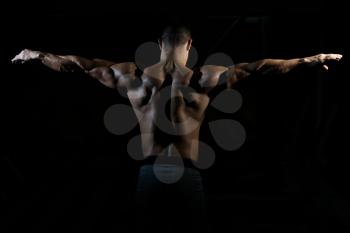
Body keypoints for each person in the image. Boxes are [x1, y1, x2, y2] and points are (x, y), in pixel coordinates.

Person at [11, 25, 342, 232]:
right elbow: (260, 69)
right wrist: (309, 60)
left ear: (159, 44)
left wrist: (36, 55)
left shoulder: (133, 77)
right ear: (190, 45)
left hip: (148, 172)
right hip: (187, 173)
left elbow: (78, 65)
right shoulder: (204, 78)